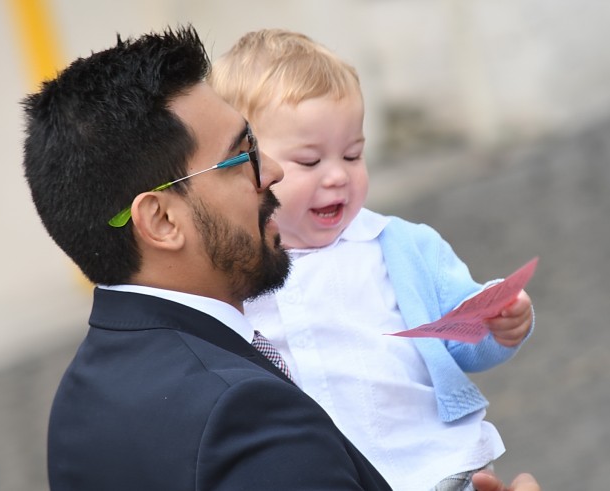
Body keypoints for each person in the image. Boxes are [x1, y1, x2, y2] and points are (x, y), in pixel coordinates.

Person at [21, 25, 538, 491]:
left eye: (353, 153)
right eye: (242, 155)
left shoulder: (76, 408)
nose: (272, 172)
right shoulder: (245, 413)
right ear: (161, 220)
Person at [209, 29, 534, 491]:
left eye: (353, 154)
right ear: (249, 167)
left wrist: (495, 322)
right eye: (309, 161)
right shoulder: (235, 272)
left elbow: (460, 335)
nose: (338, 175)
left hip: (433, 467)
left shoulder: (398, 246)